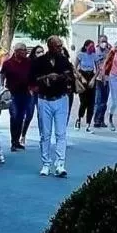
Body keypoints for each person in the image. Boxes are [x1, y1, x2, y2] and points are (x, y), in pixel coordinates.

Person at [32, 36, 74, 177]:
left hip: (61, 98)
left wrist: (59, 77)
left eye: (61, 46)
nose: (60, 48)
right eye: (57, 46)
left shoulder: (63, 60)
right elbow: (32, 78)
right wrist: (46, 78)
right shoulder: (39, 61)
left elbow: (70, 75)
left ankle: (60, 164)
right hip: (44, 99)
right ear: (50, 46)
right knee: (45, 134)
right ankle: (46, 164)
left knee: (61, 133)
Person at [1, 43, 35, 150]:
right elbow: (2, 75)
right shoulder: (8, 63)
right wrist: (2, 87)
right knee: (14, 116)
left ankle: (17, 140)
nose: (25, 52)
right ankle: (13, 141)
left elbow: (33, 76)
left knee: (21, 117)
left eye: (25, 50)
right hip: (13, 93)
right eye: (23, 50)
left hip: (25, 92)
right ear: (16, 51)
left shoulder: (29, 62)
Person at [74, 40, 100, 132]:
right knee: (84, 101)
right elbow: (75, 67)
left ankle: (88, 124)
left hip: (91, 76)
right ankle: (79, 119)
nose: (92, 48)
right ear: (86, 46)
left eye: (93, 46)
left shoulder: (94, 55)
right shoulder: (80, 54)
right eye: (90, 46)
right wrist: (81, 77)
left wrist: (93, 79)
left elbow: (98, 69)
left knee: (91, 102)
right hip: (83, 75)